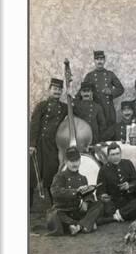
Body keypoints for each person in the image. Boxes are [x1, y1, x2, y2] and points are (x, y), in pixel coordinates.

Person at [46, 147, 104, 235]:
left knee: (98, 205)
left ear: (80, 161)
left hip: (78, 211)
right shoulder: (60, 176)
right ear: (66, 162)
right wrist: (75, 191)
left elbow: (89, 195)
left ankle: (78, 226)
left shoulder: (83, 178)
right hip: (64, 210)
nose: (74, 164)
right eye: (71, 161)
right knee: (55, 214)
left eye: (77, 160)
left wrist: (87, 202)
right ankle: (85, 224)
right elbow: (55, 192)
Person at [29, 78, 67, 206]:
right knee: (32, 174)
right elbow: (34, 125)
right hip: (39, 144)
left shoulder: (64, 107)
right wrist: (32, 144)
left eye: (59, 89)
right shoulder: (42, 105)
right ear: (49, 89)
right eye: (55, 89)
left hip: (53, 145)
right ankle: (27, 205)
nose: (57, 91)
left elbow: (74, 114)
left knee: (52, 173)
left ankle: (53, 204)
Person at [96, 142, 136, 223]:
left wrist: (129, 186)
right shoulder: (103, 169)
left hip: (128, 200)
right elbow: (99, 190)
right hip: (113, 201)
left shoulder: (128, 163)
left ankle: (115, 217)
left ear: (121, 154)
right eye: (112, 155)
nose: (116, 157)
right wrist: (103, 196)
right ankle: (123, 215)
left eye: (117, 154)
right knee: (104, 207)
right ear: (108, 156)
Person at [83, 50, 124, 128]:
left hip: (108, 109)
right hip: (95, 108)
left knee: (110, 131)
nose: (99, 61)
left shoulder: (110, 74)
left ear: (104, 60)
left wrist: (111, 91)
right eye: (97, 59)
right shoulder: (89, 76)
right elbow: (83, 91)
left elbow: (121, 89)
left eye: (101, 59)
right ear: (94, 61)